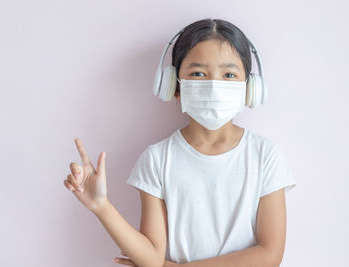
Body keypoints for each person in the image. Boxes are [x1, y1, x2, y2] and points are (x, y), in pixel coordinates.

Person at [63, 18, 297, 267]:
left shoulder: (266, 155)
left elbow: (269, 255)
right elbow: (152, 258)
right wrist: (101, 207)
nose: (213, 86)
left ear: (250, 88)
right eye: (198, 73)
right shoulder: (156, 159)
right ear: (174, 86)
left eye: (229, 74)